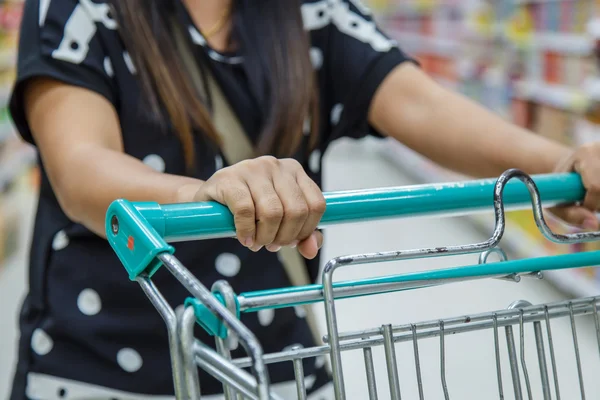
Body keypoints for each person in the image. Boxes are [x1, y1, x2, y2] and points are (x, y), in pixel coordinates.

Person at [8, 0, 600, 398]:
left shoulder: (310, 12)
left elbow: (415, 100)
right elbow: (79, 167)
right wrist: (206, 194)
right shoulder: (81, 10)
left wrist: (553, 163)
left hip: (276, 368)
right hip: (99, 370)